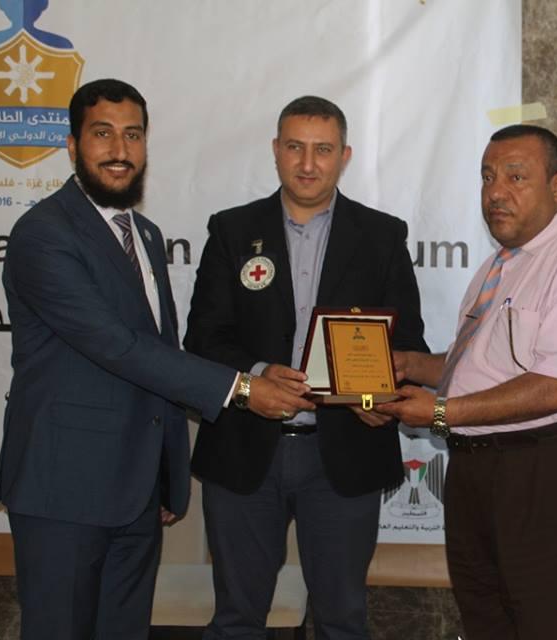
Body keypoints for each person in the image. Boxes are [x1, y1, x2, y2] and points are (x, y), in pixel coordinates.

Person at [0, 78, 297, 640]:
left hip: (137, 494)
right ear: (72, 144)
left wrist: (166, 475)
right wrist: (243, 387)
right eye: (102, 134)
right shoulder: (43, 234)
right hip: (65, 490)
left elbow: (159, 355)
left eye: (133, 135)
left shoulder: (147, 235)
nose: (120, 150)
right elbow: (116, 346)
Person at [183, 95, 428, 640]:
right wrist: (256, 374)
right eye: (295, 147)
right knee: (236, 620)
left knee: (342, 621)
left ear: (345, 156)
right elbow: (202, 338)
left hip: (343, 456)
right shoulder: (231, 230)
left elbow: (406, 345)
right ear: (276, 150)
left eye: (323, 149)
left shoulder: (382, 235)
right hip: (245, 449)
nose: (309, 163)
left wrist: (374, 398)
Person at [380, 124, 557, 639]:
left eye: (516, 177)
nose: (496, 192)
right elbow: (480, 367)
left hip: (553, 471)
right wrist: (409, 365)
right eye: (488, 177)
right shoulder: (499, 265)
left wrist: (439, 412)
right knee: (488, 621)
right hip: (481, 474)